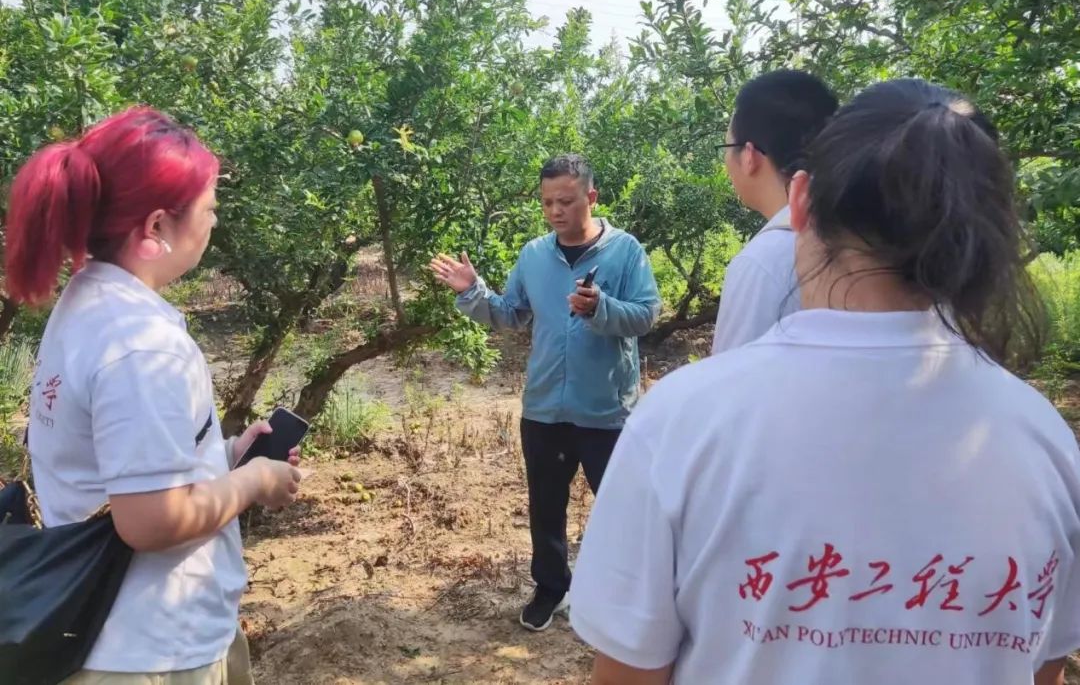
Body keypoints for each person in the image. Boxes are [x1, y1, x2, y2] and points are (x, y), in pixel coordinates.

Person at [569, 80, 1080, 685]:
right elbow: (1044, 664)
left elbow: (629, 671)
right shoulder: (1043, 440)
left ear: (802, 198)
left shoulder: (684, 421)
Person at [5, 107, 304, 683]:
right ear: (157, 228)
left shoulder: (87, 304)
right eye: (208, 207)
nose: (214, 221)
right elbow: (148, 522)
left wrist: (220, 456)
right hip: (150, 647)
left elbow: (116, 464)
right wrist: (254, 481)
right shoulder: (144, 347)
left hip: (108, 632)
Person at [430, 154, 661, 632]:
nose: (556, 211)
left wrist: (602, 308)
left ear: (591, 198)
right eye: (547, 202)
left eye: (566, 201)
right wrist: (472, 291)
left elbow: (645, 315)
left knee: (621, 506)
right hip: (544, 409)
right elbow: (512, 314)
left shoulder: (625, 252)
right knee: (546, 505)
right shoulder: (535, 255)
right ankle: (552, 588)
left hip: (606, 410)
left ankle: (627, 592)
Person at [712, 69, 837, 354]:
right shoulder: (865, 234)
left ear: (749, 156)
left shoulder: (763, 264)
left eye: (727, 147)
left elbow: (736, 385)